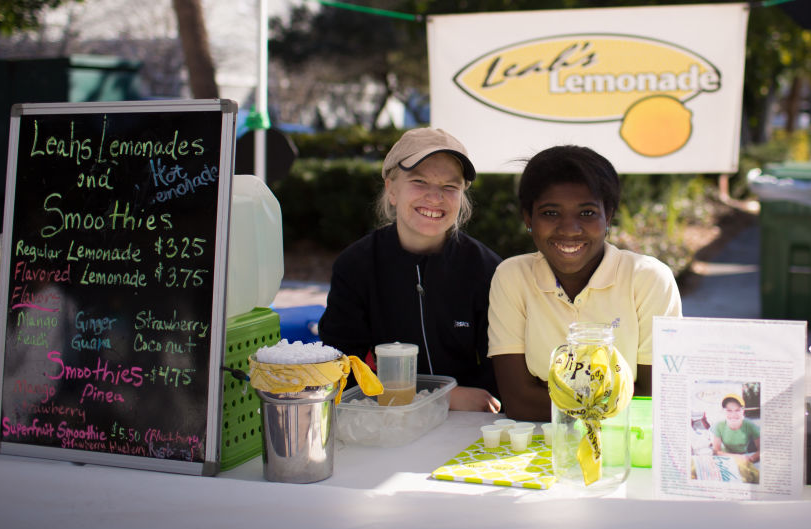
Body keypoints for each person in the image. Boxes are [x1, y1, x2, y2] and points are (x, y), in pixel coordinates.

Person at [487, 145, 683, 421]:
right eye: (551, 213)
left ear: (609, 216)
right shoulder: (512, 277)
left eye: (587, 213)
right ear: (528, 218)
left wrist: (549, 395)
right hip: (534, 447)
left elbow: (653, 398)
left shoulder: (648, 279)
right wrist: (619, 397)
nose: (569, 228)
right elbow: (518, 401)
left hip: (625, 448)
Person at [317, 128, 502, 412]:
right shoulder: (356, 265)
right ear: (391, 189)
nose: (435, 197)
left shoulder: (487, 269)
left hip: (468, 426)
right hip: (384, 419)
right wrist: (440, 397)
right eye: (419, 181)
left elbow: (500, 366)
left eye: (450, 187)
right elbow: (340, 364)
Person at [710, 393, 760, 463]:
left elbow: (762, 449)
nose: (733, 415)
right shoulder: (719, 425)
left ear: (743, 411)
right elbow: (716, 451)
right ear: (724, 411)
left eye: (737, 410)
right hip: (725, 458)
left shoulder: (750, 425)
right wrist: (737, 458)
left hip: (745, 459)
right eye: (729, 410)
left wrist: (751, 458)